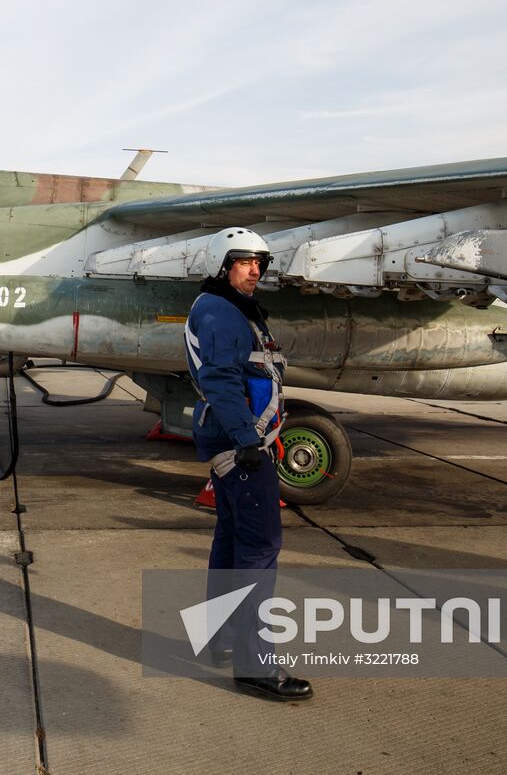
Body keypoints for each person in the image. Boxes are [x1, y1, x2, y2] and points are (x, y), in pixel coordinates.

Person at [184, 227, 313, 702]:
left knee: (233, 538)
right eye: (244, 261)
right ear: (223, 265)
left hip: (236, 440)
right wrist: (248, 441)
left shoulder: (224, 307)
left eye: (260, 262)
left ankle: (219, 638)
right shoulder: (220, 312)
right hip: (239, 445)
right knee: (261, 546)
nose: (255, 269)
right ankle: (256, 666)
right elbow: (219, 381)